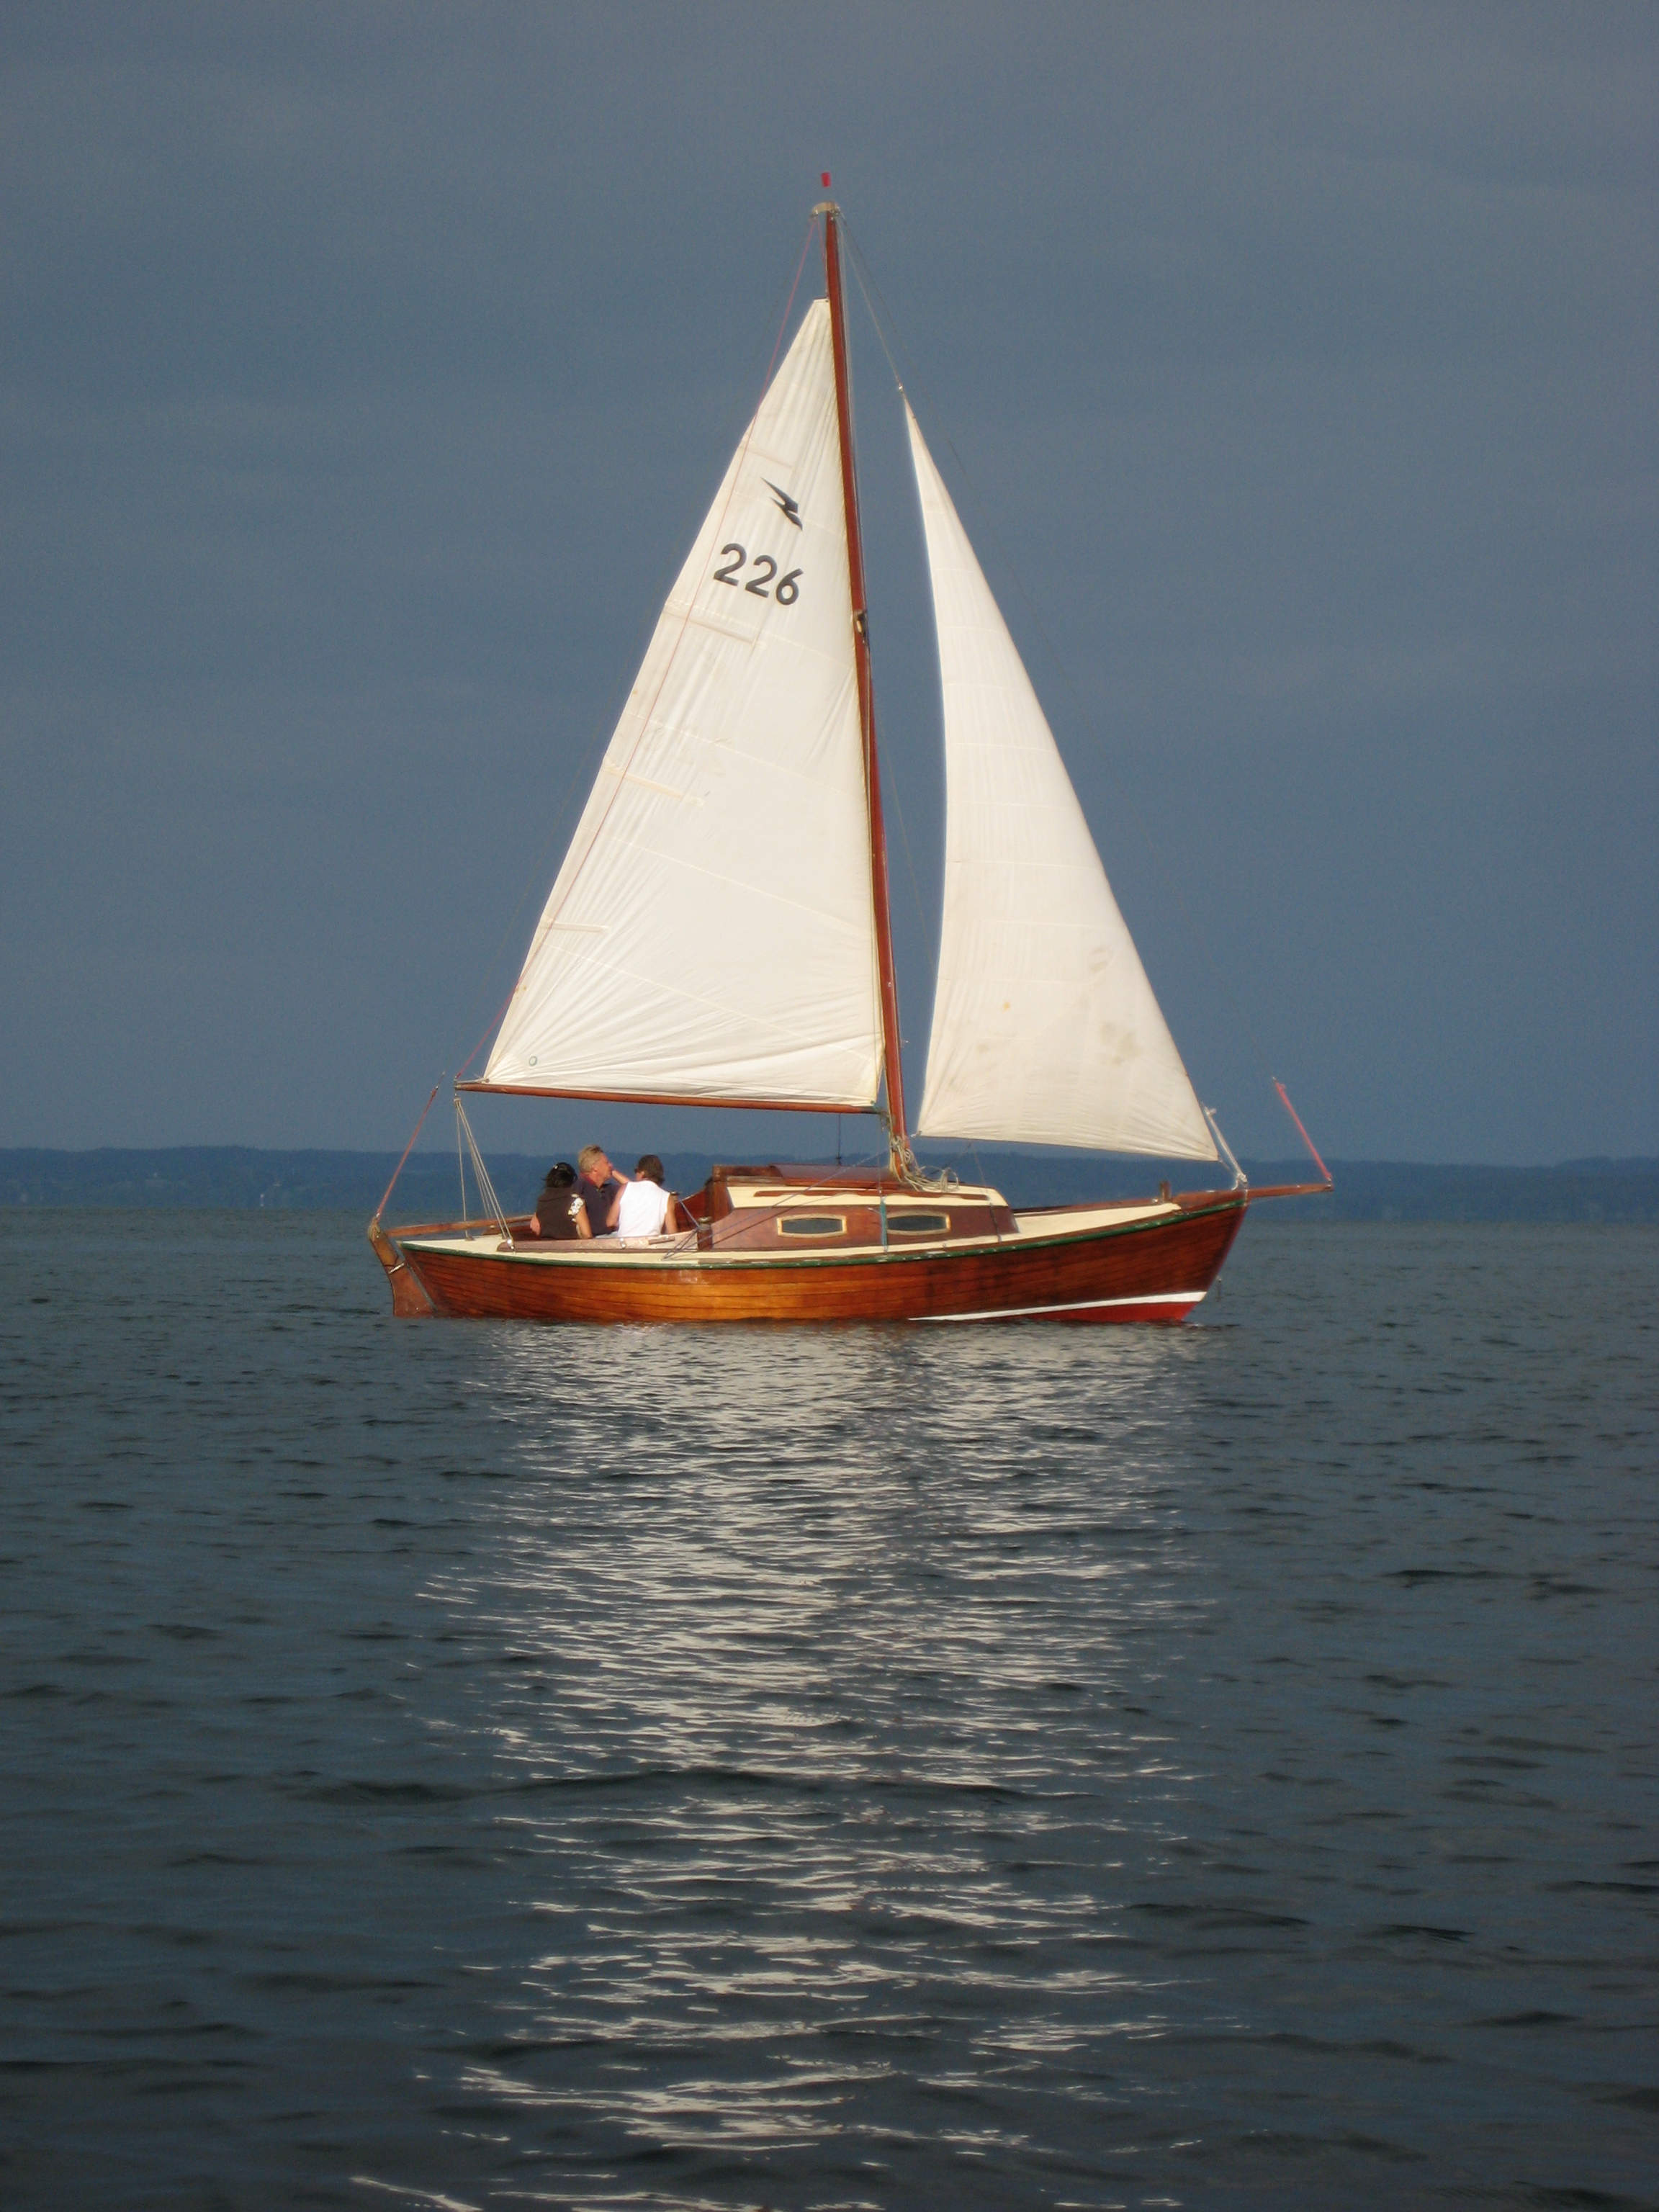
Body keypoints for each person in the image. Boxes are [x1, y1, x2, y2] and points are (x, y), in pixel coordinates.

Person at [615, 1153, 680, 1238]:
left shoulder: (625, 1188)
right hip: (650, 1247)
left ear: (642, 1173)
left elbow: (610, 1222)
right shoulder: (666, 1197)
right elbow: (673, 1233)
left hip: (624, 1245)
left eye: (636, 1171)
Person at [529, 1161, 590, 1241]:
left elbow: (535, 1227)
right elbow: (587, 1234)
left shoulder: (542, 1201)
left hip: (546, 1248)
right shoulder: (575, 1203)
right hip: (570, 1249)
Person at [576, 1144, 628, 1237]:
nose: (611, 1165)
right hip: (596, 1240)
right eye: (606, 1163)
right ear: (594, 1167)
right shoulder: (580, 1186)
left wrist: (612, 1172)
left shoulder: (607, 1189)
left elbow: (632, 1189)